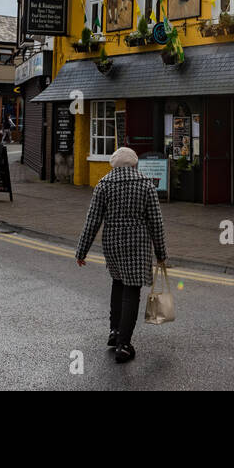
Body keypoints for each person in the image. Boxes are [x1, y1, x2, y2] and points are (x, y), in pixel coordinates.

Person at [75, 146, 168, 364]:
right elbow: (156, 222)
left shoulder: (104, 184)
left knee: (118, 284)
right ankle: (124, 345)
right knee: (131, 291)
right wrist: (161, 252)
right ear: (135, 163)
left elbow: (92, 221)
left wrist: (82, 251)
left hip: (113, 244)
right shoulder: (146, 184)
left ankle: (115, 332)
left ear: (114, 163)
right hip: (137, 245)